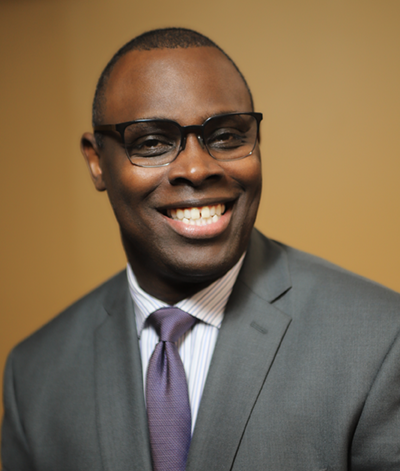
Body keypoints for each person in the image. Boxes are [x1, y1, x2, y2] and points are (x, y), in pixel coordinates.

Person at [2, 27, 400, 471]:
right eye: (152, 142)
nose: (196, 168)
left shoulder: (382, 341)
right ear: (96, 161)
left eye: (226, 136)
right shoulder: (33, 375)